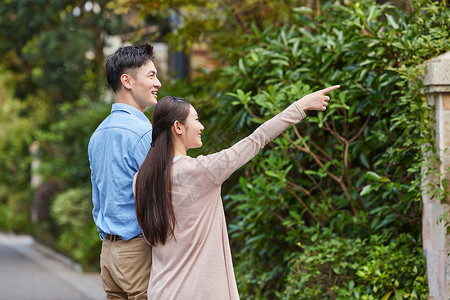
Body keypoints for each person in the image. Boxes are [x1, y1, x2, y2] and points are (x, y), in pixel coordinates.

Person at [133, 85, 340, 299]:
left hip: (160, 291)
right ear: (178, 126)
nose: (201, 126)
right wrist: (300, 106)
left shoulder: (141, 178)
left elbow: (150, 238)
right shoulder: (202, 171)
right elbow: (256, 139)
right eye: (196, 119)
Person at [88, 43, 162, 299]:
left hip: (108, 254)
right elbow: (162, 195)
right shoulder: (143, 134)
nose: (158, 83)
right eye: (151, 75)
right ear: (127, 81)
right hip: (137, 250)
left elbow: (98, 196)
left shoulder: (98, 134)